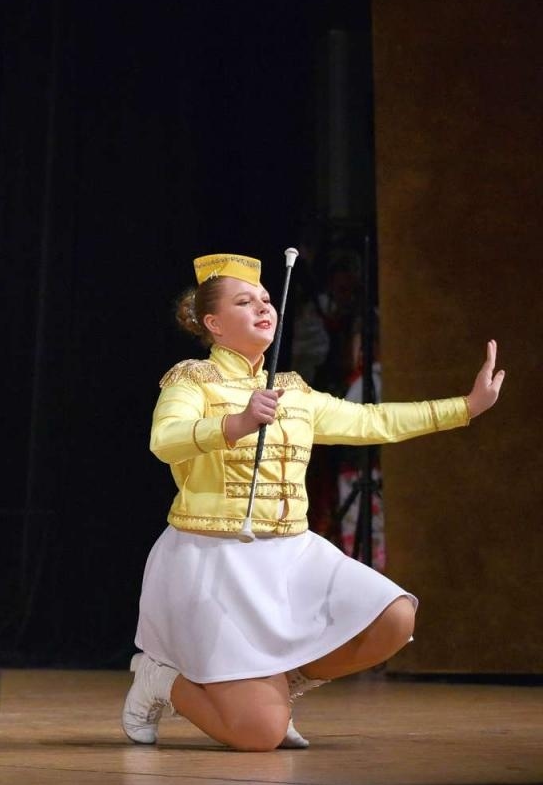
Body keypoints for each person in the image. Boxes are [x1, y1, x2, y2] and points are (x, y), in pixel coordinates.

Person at [123, 252, 504, 751]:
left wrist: (466, 408)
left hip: (290, 555)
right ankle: (159, 679)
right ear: (213, 323)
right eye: (244, 301)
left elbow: (371, 421)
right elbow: (165, 440)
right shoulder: (192, 379)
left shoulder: (291, 389)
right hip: (214, 558)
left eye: (264, 298)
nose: (263, 306)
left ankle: (285, 685)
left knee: (393, 616)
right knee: (259, 738)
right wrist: (233, 424)